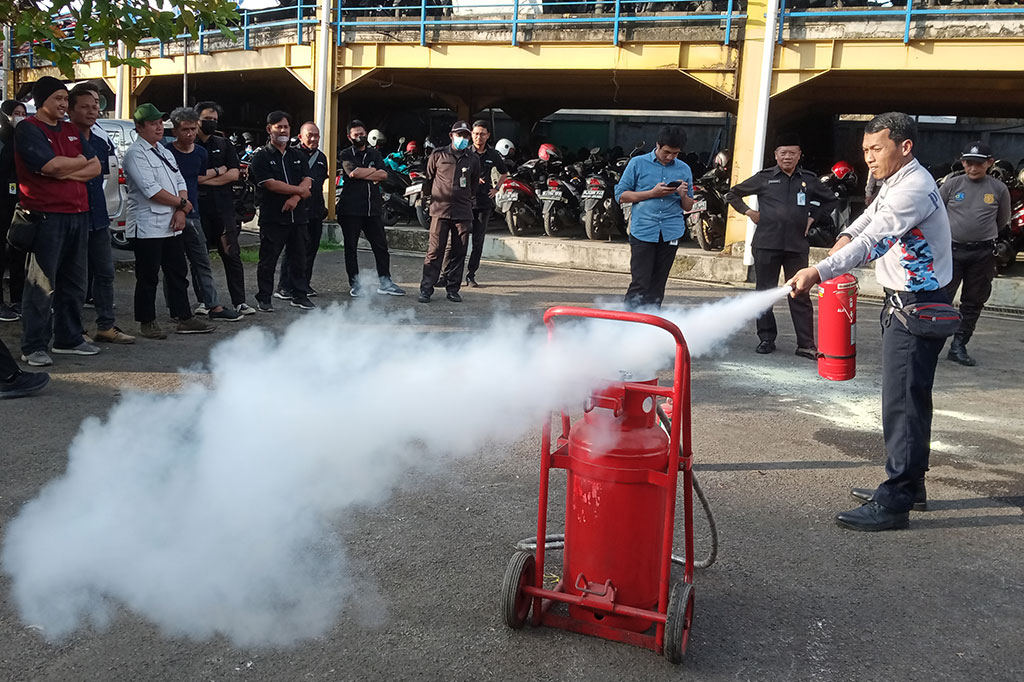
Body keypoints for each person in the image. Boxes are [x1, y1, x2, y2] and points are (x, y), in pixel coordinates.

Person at [786, 112, 953, 532]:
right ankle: (912, 485)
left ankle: (895, 500)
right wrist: (842, 239)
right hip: (907, 302)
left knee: (903, 402)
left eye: (876, 148)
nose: (869, 158)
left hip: (916, 306)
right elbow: (867, 219)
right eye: (865, 150)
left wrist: (819, 271)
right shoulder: (897, 180)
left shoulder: (913, 189)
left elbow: (875, 241)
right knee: (911, 397)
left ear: (905, 147)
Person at [13, 77, 102, 367]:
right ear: (42, 102)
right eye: (58, 99)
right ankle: (34, 346)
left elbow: (95, 166)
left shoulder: (70, 129)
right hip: (46, 216)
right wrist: (72, 164)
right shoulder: (28, 129)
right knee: (42, 284)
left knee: (75, 282)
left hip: (79, 213)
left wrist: (64, 169)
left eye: (65, 99)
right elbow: (48, 165)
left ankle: (69, 338)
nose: (64, 104)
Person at [725, 133, 837, 359]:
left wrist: (812, 217)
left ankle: (805, 344)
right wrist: (749, 212)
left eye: (792, 153)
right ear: (776, 155)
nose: (787, 157)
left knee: (800, 292)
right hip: (767, 244)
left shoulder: (808, 179)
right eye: (783, 153)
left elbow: (831, 199)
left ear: (799, 155)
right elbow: (733, 194)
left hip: (796, 245)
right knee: (765, 292)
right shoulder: (764, 178)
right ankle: (766, 338)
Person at [122, 103, 215, 338]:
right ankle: (147, 321)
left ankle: (183, 316)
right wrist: (182, 204)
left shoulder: (163, 151)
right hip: (147, 225)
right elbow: (151, 190)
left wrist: (181, 210)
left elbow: (180, 181)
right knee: (148, 276)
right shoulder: (136, 154)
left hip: (172, 223)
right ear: (139, 127)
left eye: (159, 123)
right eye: (152, 124)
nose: (158, 127)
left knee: (177, 272)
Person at [67, 83, 136, 344]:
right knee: (75, 278)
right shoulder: (64, 139)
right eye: (85, 106)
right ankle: (74, 330)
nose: (92, 110)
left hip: (98, 215)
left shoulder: (100, 141)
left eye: (95, 105)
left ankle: (106, 326)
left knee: (105, 273)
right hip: (72, 215)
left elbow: (104, 176)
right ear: (71, 110)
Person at [166, 107, 242, 322]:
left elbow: (197, 177)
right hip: (171, 214)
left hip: (194, 213)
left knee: (203, 261)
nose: (190, 133)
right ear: (175, 131)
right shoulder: (166, 153)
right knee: (174, 265)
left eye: (192, 129)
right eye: (185, 129)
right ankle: (177, 309)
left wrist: (211, 176)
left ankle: (214, 306)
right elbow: (185, 180)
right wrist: (219, 171)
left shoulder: (201, 153)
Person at [938, 141, 1009, 367]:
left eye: (979, 163)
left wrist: (982, 235)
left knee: (973, 302)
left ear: (989, 163)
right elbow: (935, 212)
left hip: (982, 254)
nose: (973, 168)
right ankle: (932, 343)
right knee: (941, 299)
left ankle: (959, 345)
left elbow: (1002, 220)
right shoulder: (952, 184)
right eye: (968, 162)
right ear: (962, 162)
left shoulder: (999, 189)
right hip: (951, 252)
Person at [614, 125, 695, 309]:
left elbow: (689, 206)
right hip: (643, 230)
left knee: (658, 286)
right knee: (640, 283)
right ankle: (626, 322)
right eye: (667, 152)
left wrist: (683, 195)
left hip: (671, 232)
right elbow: (621, 196)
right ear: (657, 145)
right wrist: (652, 193)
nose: (670, 157)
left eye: (675, 153)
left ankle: (651, 323)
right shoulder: (638, 163)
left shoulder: (684, 169)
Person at [247, 110, 315, 312]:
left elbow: (308, 180)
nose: (283, 130)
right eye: (279, 127)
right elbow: (271, 184)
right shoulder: (261, 157)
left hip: (298, 217)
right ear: (269, 129)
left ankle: (299, 295)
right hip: (273, 218)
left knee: (299, 259)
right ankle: (264, 297)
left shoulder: (297, 155)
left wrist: (295, 198)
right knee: (268, 260)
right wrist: (300, 191)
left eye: (286, 127)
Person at [195, 101, 254, 316]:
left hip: (224, 208)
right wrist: (219, 172)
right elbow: (192, 178)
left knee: (231, 253)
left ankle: (240, 301)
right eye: (207, 119)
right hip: (198, 208)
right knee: (199, 256)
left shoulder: (224, 143)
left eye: (214, 120)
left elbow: (234, 174)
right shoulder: (189, 144)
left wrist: (205, 178)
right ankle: (204, 301)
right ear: (196, 120)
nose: (211, 123)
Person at [337, 119, 405, 297]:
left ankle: (385, 282)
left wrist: (365, 172)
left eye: (362, 134)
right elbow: (353, 173)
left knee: (381, 246)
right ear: (349, 137)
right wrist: (371, 172)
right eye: (356, 135)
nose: (360, 137)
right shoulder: (345, 154)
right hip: (351, 209)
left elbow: (383, 174)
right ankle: (355, 284)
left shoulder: (374, 153)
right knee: (351, 248)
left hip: (373, 209)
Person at [438, 120, 508, 289]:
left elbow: (504, 173)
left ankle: (471, 275)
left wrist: (496, 189)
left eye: (482, 134)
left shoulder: (493, 154)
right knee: (453, 242)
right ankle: (444, 275)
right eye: (475, 134)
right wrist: (473, 179)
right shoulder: (465, 152)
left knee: (477, 242)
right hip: (464, 202)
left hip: (483, 204)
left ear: (488, 136)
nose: (478, 137)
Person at [417, 120, 480, 304]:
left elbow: (474, 185)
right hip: (440, 211)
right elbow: (429, 180)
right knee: (435, 251)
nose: (463, 138)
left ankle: (453, 289)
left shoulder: (473, 159)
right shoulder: (438, 154)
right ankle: (426, 289)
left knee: (459, 252)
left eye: (466, 135)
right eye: (459, 135)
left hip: (463, 212)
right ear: (452, 136)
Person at [275, 121, 329, 301]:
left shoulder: (322, 157)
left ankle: (304, 284)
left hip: (316, 210)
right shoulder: (293, 155)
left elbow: (319, 182)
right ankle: (284, 286)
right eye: (309, 135)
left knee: (312, 248)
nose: (313, 139)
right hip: (298, 210)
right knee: (293, 250)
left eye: (316, 136)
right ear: (300, 137)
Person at [0, 100, 27, 323]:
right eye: (15, 113)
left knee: (19, 252)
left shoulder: (24, 140)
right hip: (2, 204)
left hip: (20, 204)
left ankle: (19, 299)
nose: (19, 117)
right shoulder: (3, 142)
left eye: (23, 113)